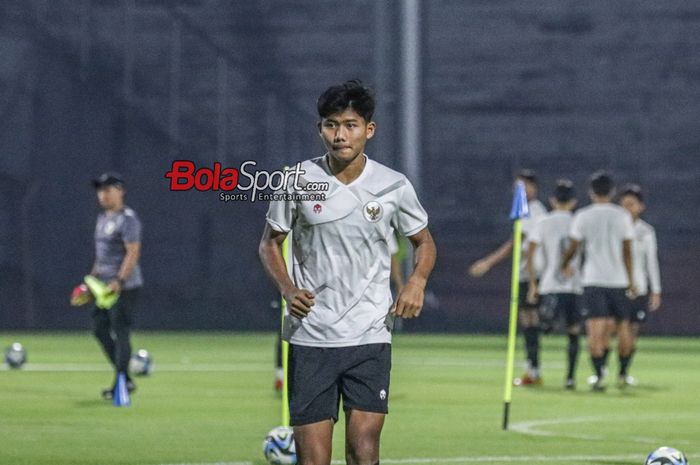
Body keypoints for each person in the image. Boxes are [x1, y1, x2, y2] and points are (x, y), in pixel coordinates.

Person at [259, 80, 436, 465]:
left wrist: (416, 282)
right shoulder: (295, 181)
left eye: (351, 124)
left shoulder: (393, 185)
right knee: (313, 459)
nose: (340, 134)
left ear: (368, 130)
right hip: (312, 336)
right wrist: (289, 291)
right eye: (331, 124)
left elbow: (425, 242)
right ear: (319, 129)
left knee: (364, 448)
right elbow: (269, 243)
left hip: (369, 333)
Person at [469, 170, 547, 385]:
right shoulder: (531, 210)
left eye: (521, 187)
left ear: (533, 187)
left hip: (532, 273)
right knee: (530, 321)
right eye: (515, 189)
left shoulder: (534, 210)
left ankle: (533, 370)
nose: (517, 192)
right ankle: (533, 369)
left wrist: (487, 263)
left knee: (531, 321)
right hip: (528, 271)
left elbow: (515, 242)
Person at [561, 171, 636, 391]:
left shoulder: (583, 216)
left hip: (593, 279)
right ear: (612, 191)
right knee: (623, 329)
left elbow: (573, 247)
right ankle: (622, 372)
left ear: (591, 192)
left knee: (595, 331)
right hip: (619, 280)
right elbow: (627, 250)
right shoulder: (622, 216)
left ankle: (599, 374)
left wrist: (564, 264)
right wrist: (631, 279)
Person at [90, 172, 143, 399]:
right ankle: (126, 378)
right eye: (100, 190)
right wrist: (90, 281)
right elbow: (102, 256)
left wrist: (119, 280)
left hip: (123, 286)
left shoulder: (127, 218)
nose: (103, 195)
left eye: (107, 189)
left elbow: (133, 252)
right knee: (99, 329)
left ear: (120, 190)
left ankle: (120, 384)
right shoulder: (103, 218)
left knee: (121, 333)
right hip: (102, 287)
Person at [526, 179, 582, 389]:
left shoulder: (543, 222)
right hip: (574, 286)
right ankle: (570, 378)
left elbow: (530, 253)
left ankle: (534, 368)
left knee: (538, 327)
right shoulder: (578, 221)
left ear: (552, 200)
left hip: (549, 285)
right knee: (574, 332)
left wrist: (532, 284)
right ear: (574, 201)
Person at [617, 183, 661, 386]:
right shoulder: (614, 228)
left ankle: (623, 371)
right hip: (617, 286)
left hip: (640, 288)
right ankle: (604, 368)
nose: (628, 208)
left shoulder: (646, 231)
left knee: (632, 332)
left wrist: (656, 290)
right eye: (624, 204)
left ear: (640, 207)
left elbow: (651, 262)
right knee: (618, 329)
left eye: (631, 204)